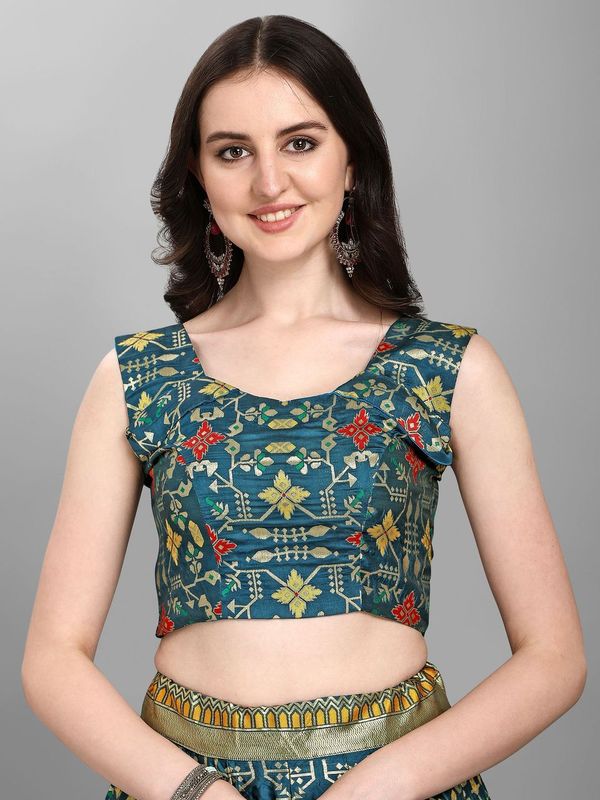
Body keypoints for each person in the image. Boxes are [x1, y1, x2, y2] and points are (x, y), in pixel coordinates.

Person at [21, 13, 587, 800]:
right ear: (198, 176)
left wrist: (376, 789)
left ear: (351, 160)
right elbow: (51, 659)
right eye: (233, 151)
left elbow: (554, 659)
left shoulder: (447, 369)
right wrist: (196, 794)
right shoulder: (137, 376)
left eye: (300, 143)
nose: (269, 183)